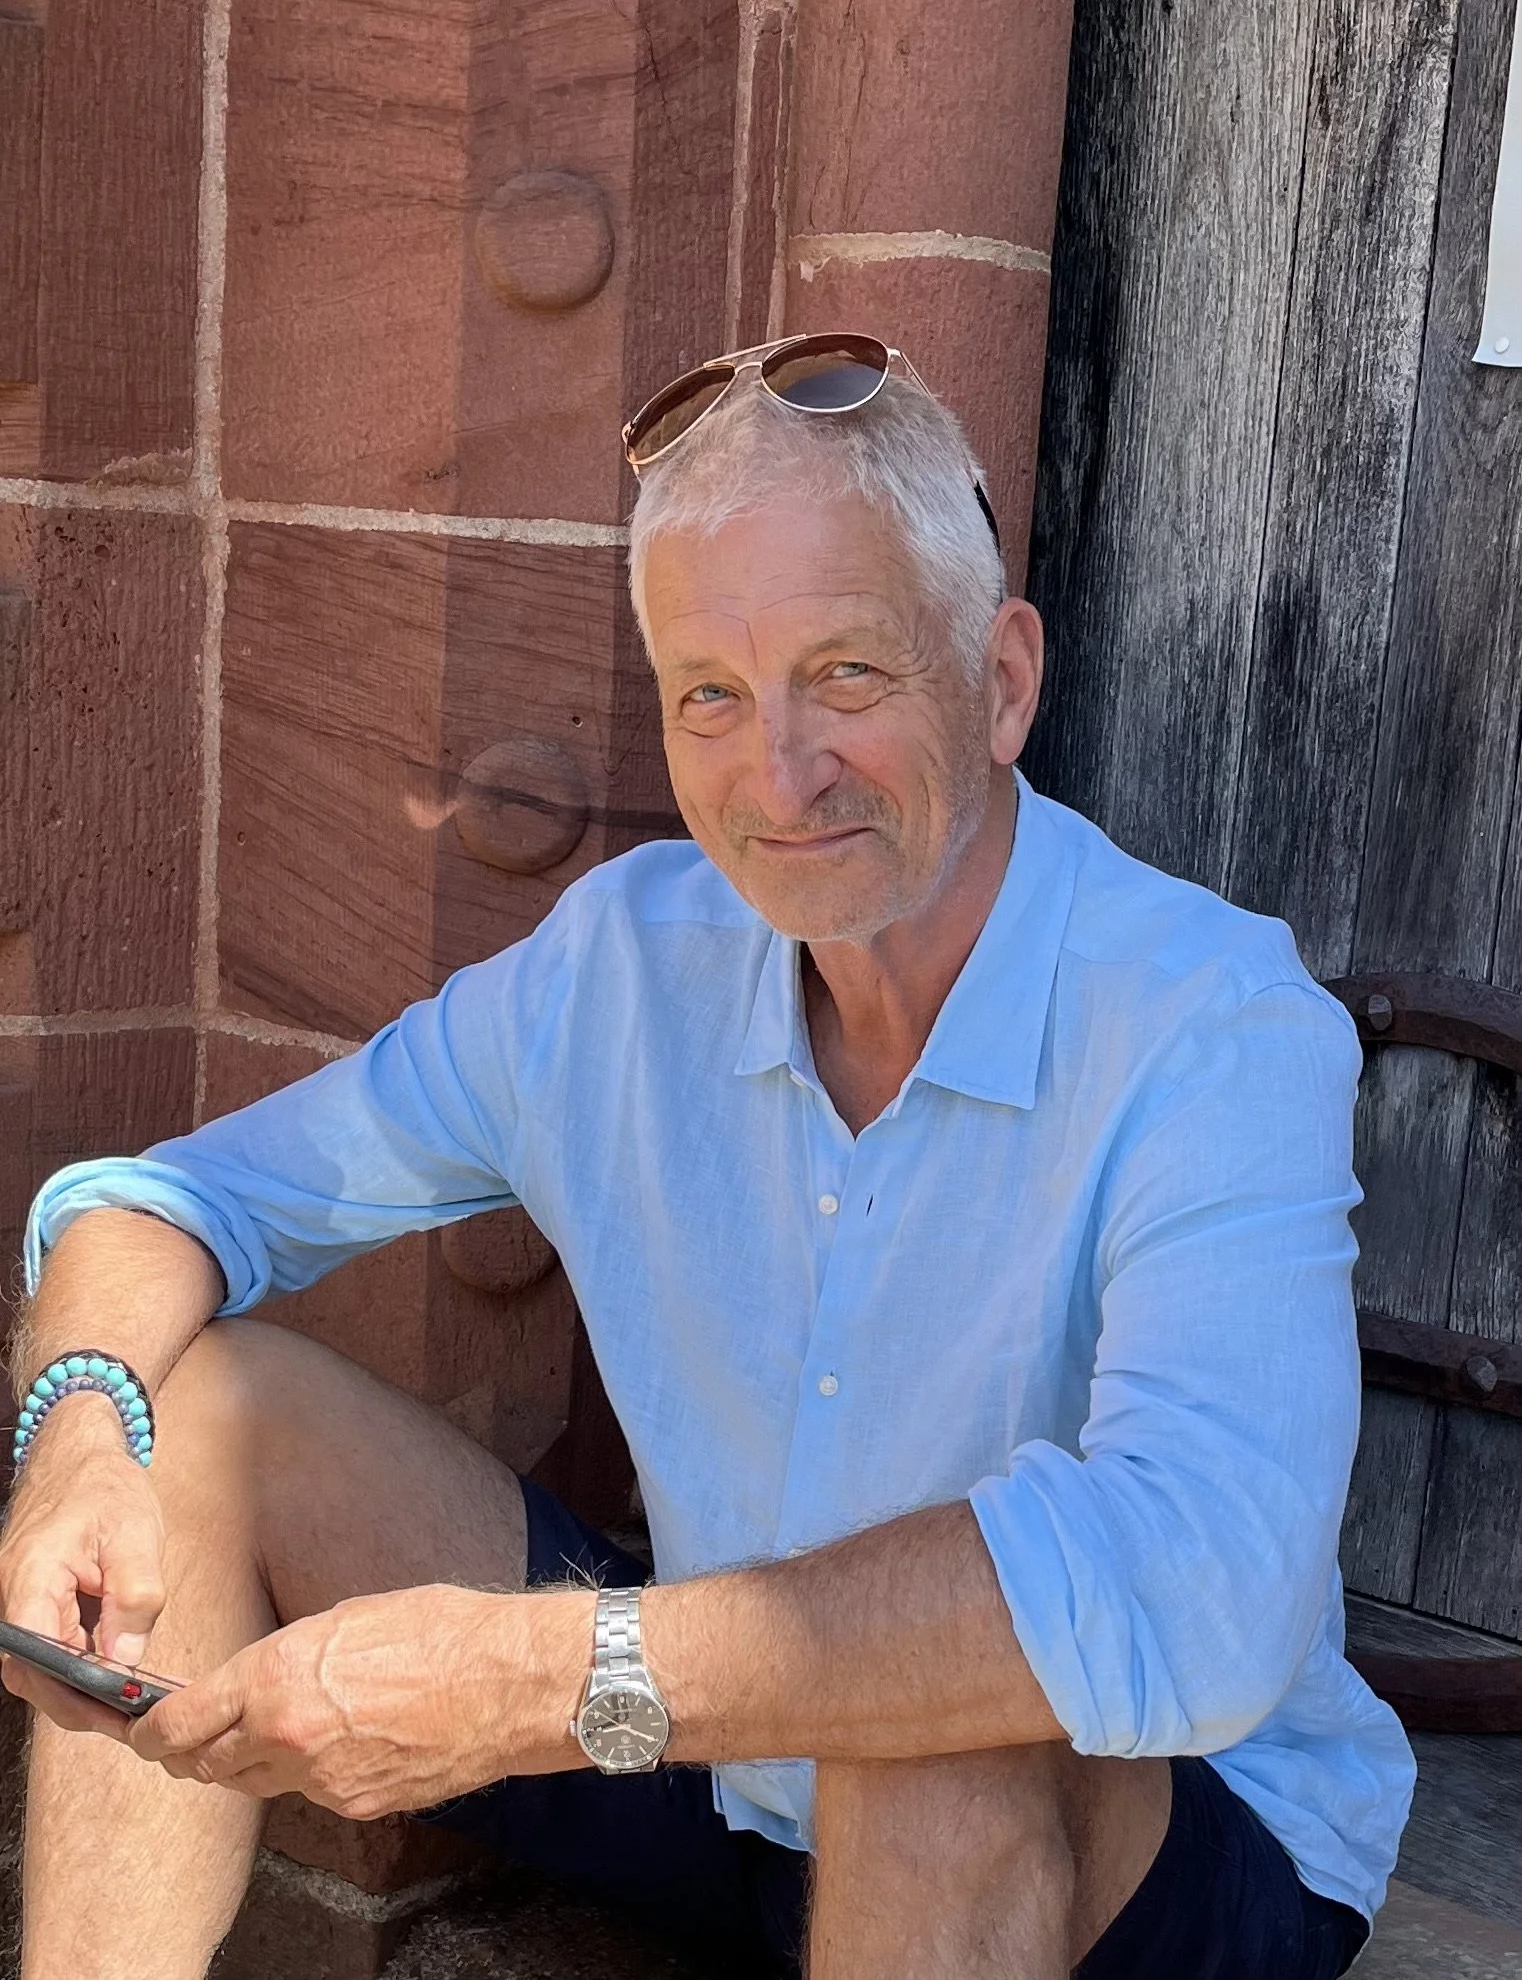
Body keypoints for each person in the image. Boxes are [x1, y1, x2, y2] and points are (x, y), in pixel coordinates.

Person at [0, 334, 1413, 1980]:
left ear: (1002, 680)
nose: (778, 774)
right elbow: (175, 1203)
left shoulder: (1212, 1021)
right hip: (710, 1753)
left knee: (934, 1731)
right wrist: (74, 1439)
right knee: (205, 1408)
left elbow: (1201, 1584)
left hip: (1147, 1839)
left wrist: (536, 1676)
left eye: (848, 675)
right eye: (711, 698)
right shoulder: (620, 965)